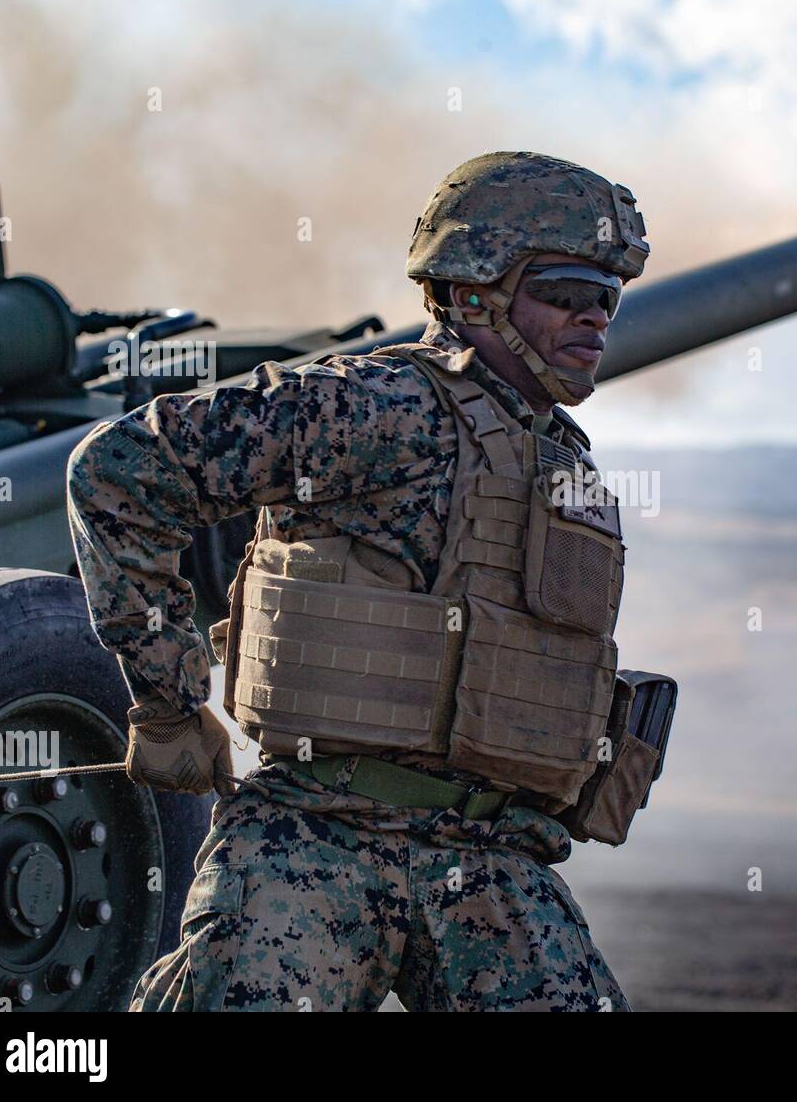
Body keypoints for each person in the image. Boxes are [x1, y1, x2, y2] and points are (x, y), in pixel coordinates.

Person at [66, 151, 650, 1011]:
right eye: (565, 289)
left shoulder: (562, 464)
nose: (594, 317)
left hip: (490, 860)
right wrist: (167, 699)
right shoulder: (377, 407)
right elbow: (121, 468)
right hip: (316, 840)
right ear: (472, 291)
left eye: (608, 296)